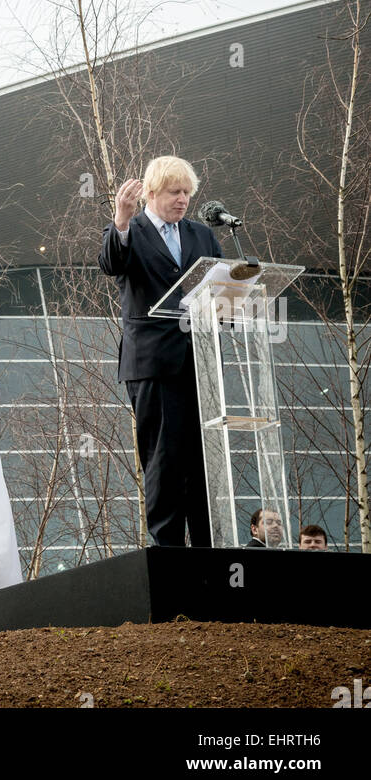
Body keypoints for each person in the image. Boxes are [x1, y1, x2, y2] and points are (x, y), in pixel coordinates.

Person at [98, 155, 223, 547]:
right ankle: (168, 552)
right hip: (153, 364)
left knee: (203, 463)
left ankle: (208, 550)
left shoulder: (202, 235)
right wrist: (120, 219)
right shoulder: (129, 231)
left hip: (199, 363)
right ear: (151, 193)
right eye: (174, 192)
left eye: (187, 192)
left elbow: (221, 287)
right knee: (164, 459)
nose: (183, 199)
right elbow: (111, 263)